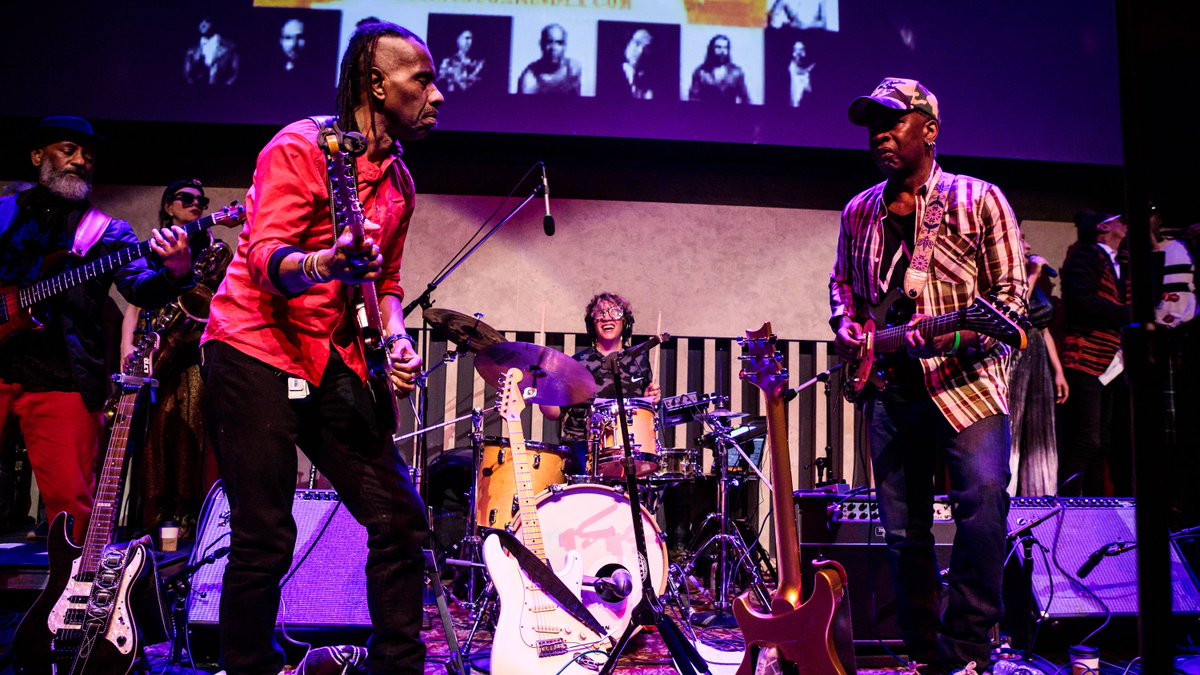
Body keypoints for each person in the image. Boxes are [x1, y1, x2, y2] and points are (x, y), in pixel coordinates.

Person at [200, 20, 440, 675]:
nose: (437, 94)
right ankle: (247, 664)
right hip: (252, 349)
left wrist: (394, 338)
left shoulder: (399, 184)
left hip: (327, 359)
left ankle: (397, 665)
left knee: (399, 515)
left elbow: (386, 284)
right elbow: (264, 257)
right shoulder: (301, 147)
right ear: (375, 82)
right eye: (422, 79)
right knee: (265, 534)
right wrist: (325, 262)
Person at [829, 78, 1025, 673]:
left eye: (894, 122)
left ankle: (966, 650)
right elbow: (842, 287)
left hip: (968, 386)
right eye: (873, 126)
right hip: (890, 391)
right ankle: (924, 655)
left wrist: (954, 335)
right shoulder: (858, 210)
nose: (880, 135)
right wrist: (849, 329)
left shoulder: (978, 199)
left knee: (985, 504)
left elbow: (1011, 303)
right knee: (903, 534)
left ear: (929, 130)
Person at [0, 116, 193, 541]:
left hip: (61, 379)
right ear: (38, 157)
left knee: (72, 510)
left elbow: (142, 289)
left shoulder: (108, 233)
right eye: (68, 150)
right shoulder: (4, 214)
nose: (80, 161)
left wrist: (176, 272)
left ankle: (71, 601)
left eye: (87, 155)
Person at [119, 179, 229, 535]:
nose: (196, 204)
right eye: (187, 199)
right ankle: (150, 517)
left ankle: (186, 517)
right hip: (155, 346)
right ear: (168, 206)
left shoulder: (216, 249)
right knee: (154, 429)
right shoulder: (154, 245)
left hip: (195, 348)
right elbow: (135, 300)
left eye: (202, 199)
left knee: (189, 427)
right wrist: (126, 344)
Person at [1057, 211, 1132, 497]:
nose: (1126, 224)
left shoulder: (1118, 263)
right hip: (1085, 357)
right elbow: (1081, 302)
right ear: (1102, 227)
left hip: (1108, 361)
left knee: (1101, 441)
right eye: (1120, 219)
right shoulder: (1086, 255)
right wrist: (1129, 315)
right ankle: (1068, 504)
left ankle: (1094, 505)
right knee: (1086, 439)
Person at [540, 292, 661, 467]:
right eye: (600, 314)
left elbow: (645, 412)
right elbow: (554, 413)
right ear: (592, 324)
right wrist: (543, 390)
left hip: (627, 449)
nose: (607, 318)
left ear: (625, 322)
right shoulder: (577, 363)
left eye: (615, 313)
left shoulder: (639, 360)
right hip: (581, 449)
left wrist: (651, 399)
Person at [1006, 234, 1068, 496]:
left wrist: (1059, 372)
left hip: (1038, 359)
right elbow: (1014, 312)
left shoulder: (1038, 289)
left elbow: (1042, 330)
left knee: (1040, 431)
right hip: (1014, 359)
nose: (1029, 245)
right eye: (1021, 240)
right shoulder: (1008, 283)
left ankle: (1040, 497)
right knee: (1013, 428)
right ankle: (1004, 498)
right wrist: (1032, 274)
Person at [517, 24, 582, 96]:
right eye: (549, 42)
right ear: (541, 44)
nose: (554, 48)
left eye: (559, 43)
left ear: (565, 46)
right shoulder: (529, 79)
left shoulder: (574, 68)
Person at [688, 35, 751, 104]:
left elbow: (745, 99)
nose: (722, 51)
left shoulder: (736, 73)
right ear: (711, 49)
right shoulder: (701, 72)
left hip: (730, 113)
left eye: (725, 48)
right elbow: (693, 99)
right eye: (718, 47)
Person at [184, 16, 240, 85]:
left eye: (207, 21)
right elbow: (187, 76)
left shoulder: (230, 47)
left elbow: (235, 73)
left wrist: (224, 90)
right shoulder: (191, 51)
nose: (203, 24)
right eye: (200, 21)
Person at [787, 40, 815, 107]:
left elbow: (809, 88)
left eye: (801, 50)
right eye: (796, 50)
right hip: (795, 105)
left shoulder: (808, 70)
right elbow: (800, 71)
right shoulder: (792, 66)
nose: (798, 53)